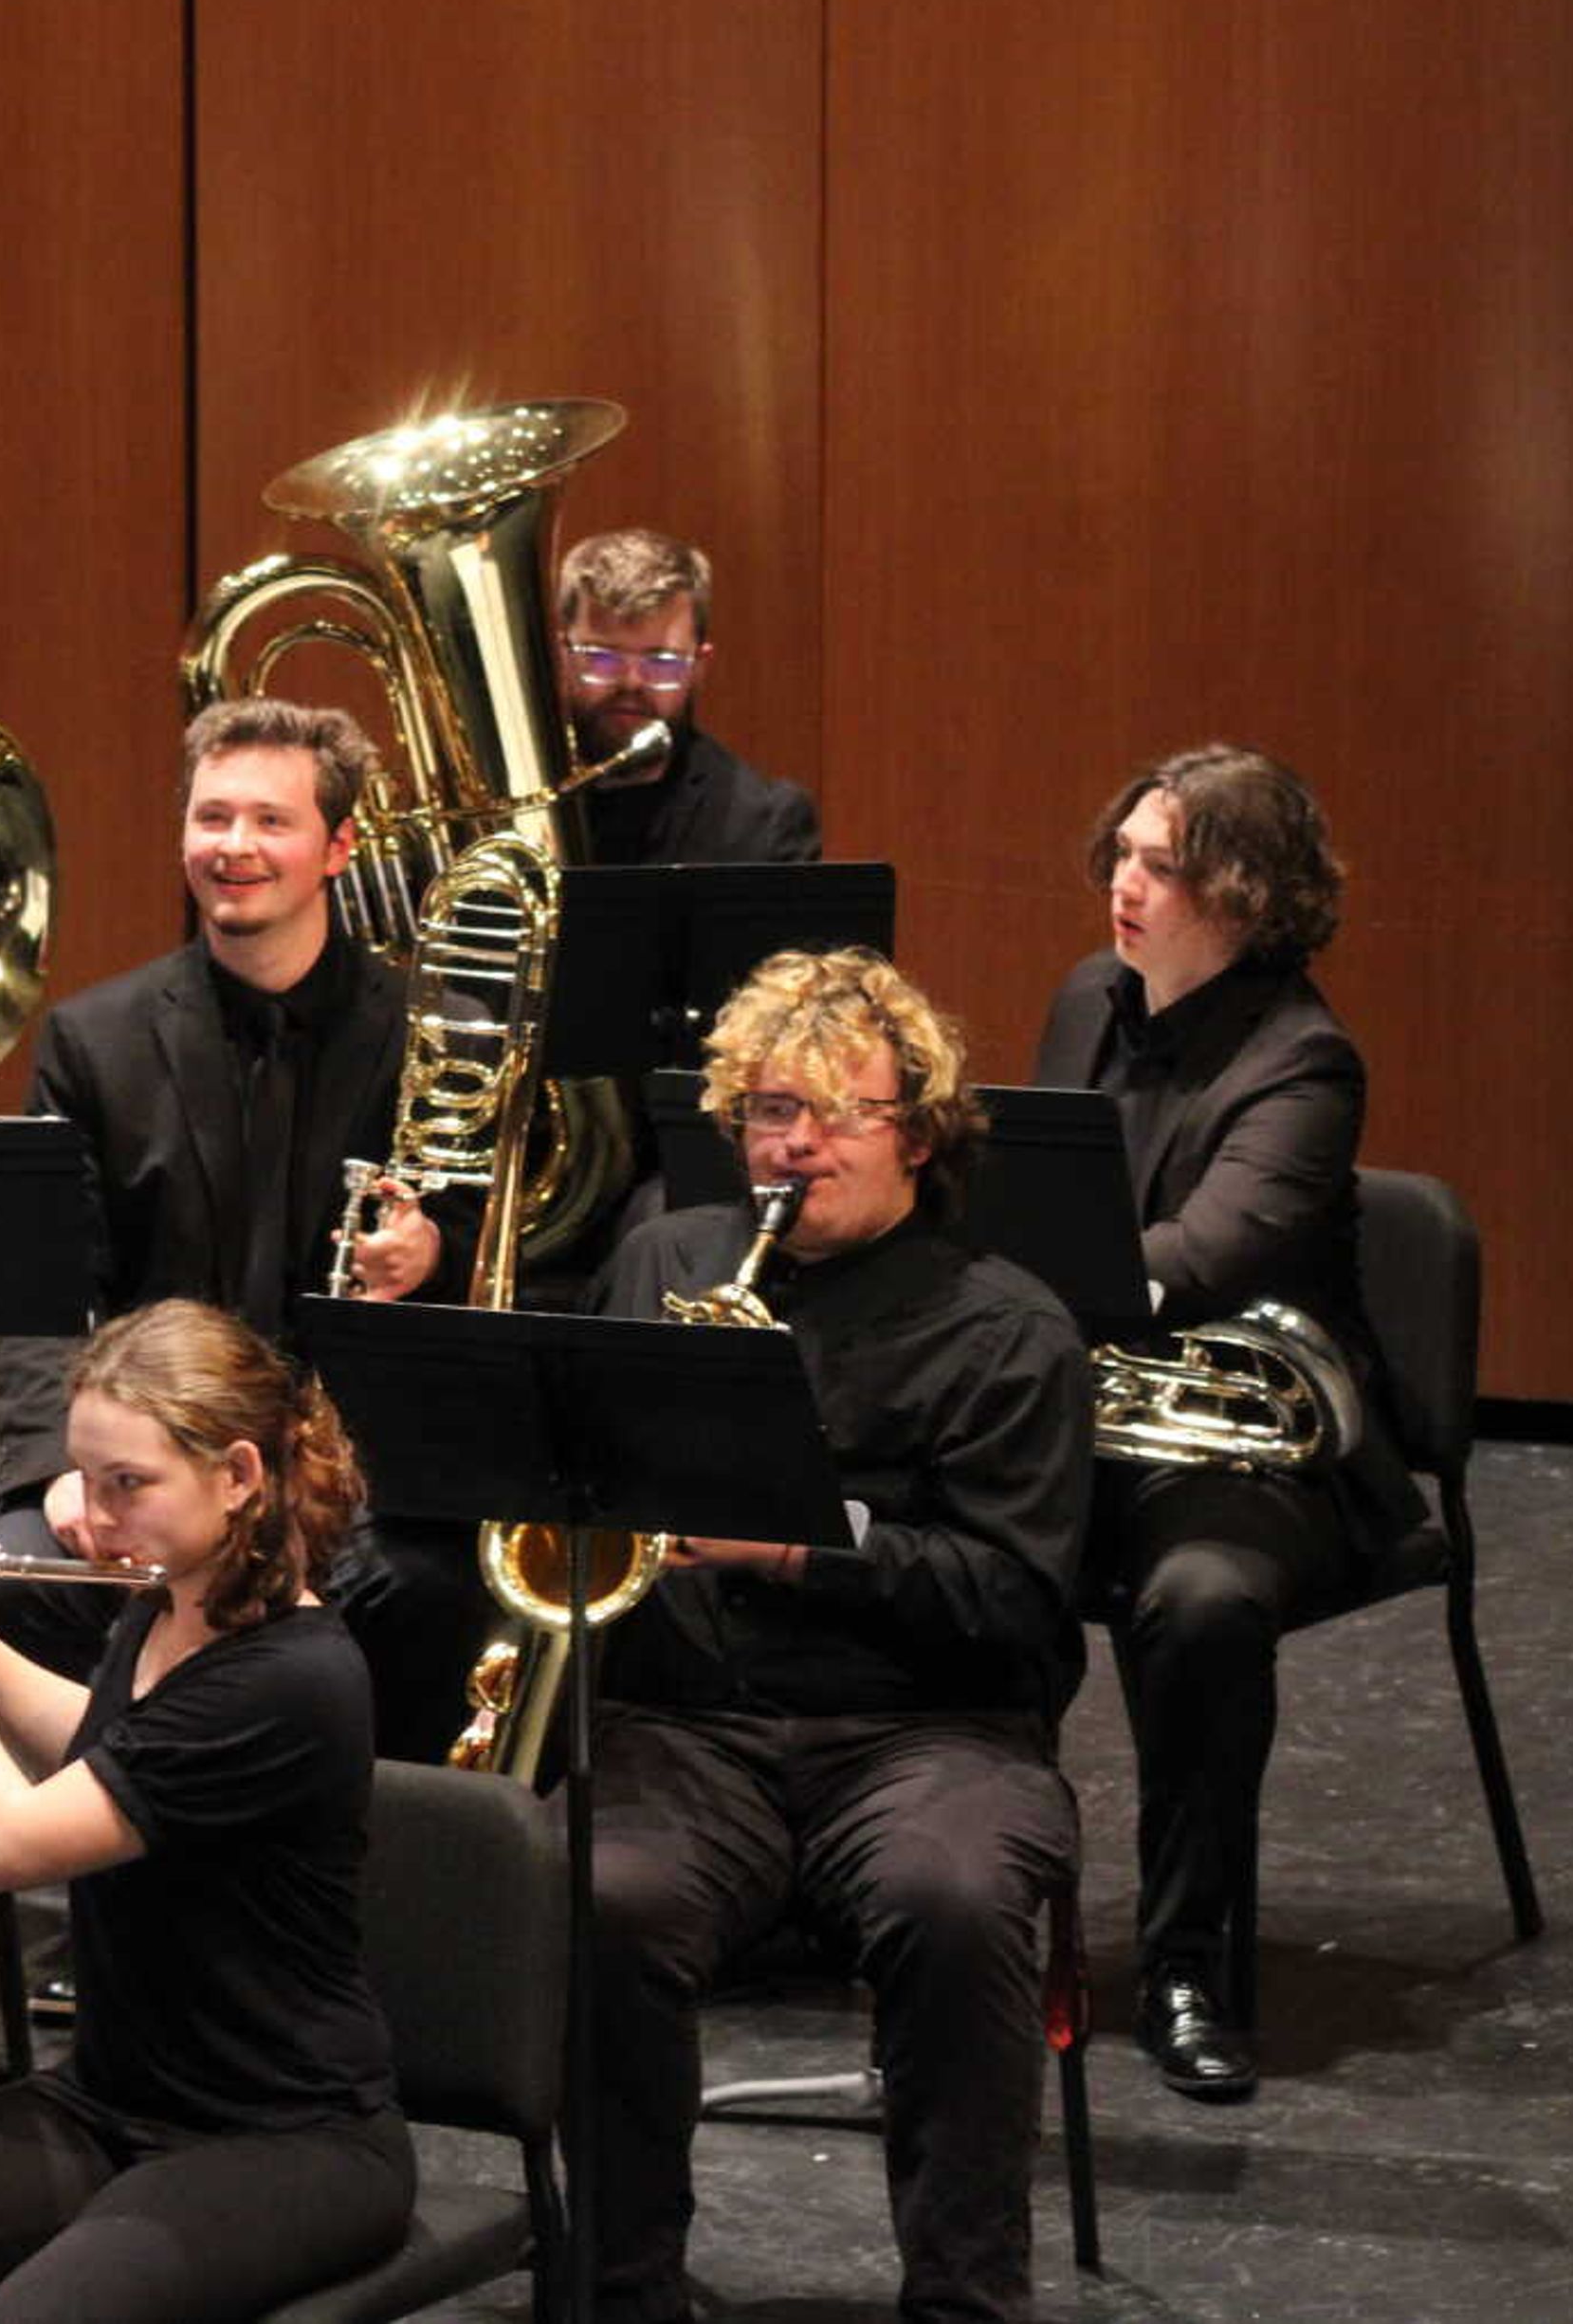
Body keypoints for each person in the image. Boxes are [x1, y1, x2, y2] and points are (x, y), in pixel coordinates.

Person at [587, 946, 1088, 2324]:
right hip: (691, 1723)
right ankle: (621, 2288)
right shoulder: (664, 1263)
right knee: (593, 1890)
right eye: (762, 1111)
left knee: (957, 1896)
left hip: (928, 1732)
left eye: (826, 1113)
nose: (788, 1143)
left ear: (917, 1136)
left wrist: (804, 1545)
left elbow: (1017, 1603)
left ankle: (964, 2303)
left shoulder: (1006, 1329)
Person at [0, 1298, 413, 2323]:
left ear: (239, 1474)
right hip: (112, 2094)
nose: (94, 1518)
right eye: (87, 1477)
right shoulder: (166, 1599)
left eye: (130, 1484)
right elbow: (109, 1746)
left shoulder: (288, 1676)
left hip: (284, 2131)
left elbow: (10, 1842)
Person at [1033, 744, 1415, 2101]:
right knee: (937, 1542)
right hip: (1110, 1415)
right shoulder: (1093, 997)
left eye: (1163, 866)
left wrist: (1055, 1285)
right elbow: (1040, 1188)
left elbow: (1204, 1249)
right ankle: (948, 1903)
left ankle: (1193, 1963)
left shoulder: (1306, 1061)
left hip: (1263, 1446)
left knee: (1194, 1606)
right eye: (1124, 854)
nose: (1125, 885)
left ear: (1245, 898)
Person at [0, 699, 468, 1760]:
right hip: (145, 1458)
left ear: (338, 845)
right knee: (22, 1562)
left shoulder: (430, 1039)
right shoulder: (93, 1040)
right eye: (213, 818)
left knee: (423, 1588)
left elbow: (502, 1258)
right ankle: (87, 1867)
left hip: (348, 1468)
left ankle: (378, 1874)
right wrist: (52, 1472)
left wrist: (433, 1257)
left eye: (270, 820)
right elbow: (41, 1292)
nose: (235, 848)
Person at [554, 528, 820, 866]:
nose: (631, 683)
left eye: (661, 662)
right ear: (562, 654)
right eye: (603, 658)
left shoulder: (763, 825)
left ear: (699, 665)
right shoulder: (500, 811)